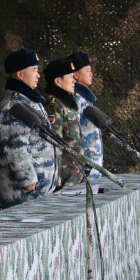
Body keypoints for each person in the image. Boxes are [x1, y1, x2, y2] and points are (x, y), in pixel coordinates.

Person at [0, 48, 58, 208]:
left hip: (37, 191)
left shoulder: (28, 99)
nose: (38, 75)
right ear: (20, 73)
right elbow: (15, 144)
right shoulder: (14, 104)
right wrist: (27, 178)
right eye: (34, 70)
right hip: (23, 194)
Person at [43, 58, 83, 189]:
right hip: (64, 181)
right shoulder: (54, 106)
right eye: (70, 76)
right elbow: (55, 145)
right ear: (58, 81)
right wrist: (57, 182)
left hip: (73, 177)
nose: (74, 80)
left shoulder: (66, 104)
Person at [68, 51, 103, 180]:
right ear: (76, 74)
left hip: (92, 167)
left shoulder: (85, 99)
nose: (91, 74)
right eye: (87, 70)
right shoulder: (75, 100)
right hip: (83, 170)